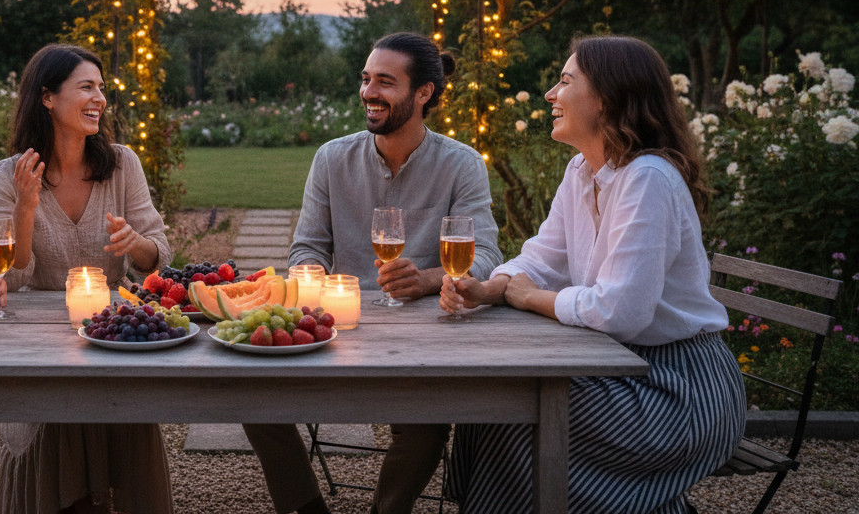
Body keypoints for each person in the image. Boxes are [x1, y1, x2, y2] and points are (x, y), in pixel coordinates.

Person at [440, 35, 745, 513]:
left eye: (564, 81)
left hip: (676, 390)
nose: (549, 95)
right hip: (616, 367)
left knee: (514, 409)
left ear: (605, 99)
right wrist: (490, 288)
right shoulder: (582, 171)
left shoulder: (647, 179)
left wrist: (528, 299)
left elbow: (619, 311)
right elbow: (540, 257)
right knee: (498, 396)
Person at [245, 32, 504, 514]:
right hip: (341, 327)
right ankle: (306, 508)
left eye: (385, 82)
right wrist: (307, 276)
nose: (369, 92)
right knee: (253, 401)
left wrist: (429, 279)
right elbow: (308, 246)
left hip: (425, 333)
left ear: (423, 92)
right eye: (366, 80)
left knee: (428, 426)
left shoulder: (462, 164)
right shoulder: (332, 158)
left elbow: (487, 253)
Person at [0, 43, 173, 514]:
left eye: (101, 88)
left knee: (121, 411)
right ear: (48, 97)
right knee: (58, 412)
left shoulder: (121, 164)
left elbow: (159, 256)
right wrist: (25, 208)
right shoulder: (6, 177)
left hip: (110, 334)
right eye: (86, 87)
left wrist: (136, 243)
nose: (99, 98)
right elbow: (9, 279)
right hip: (36, 340)